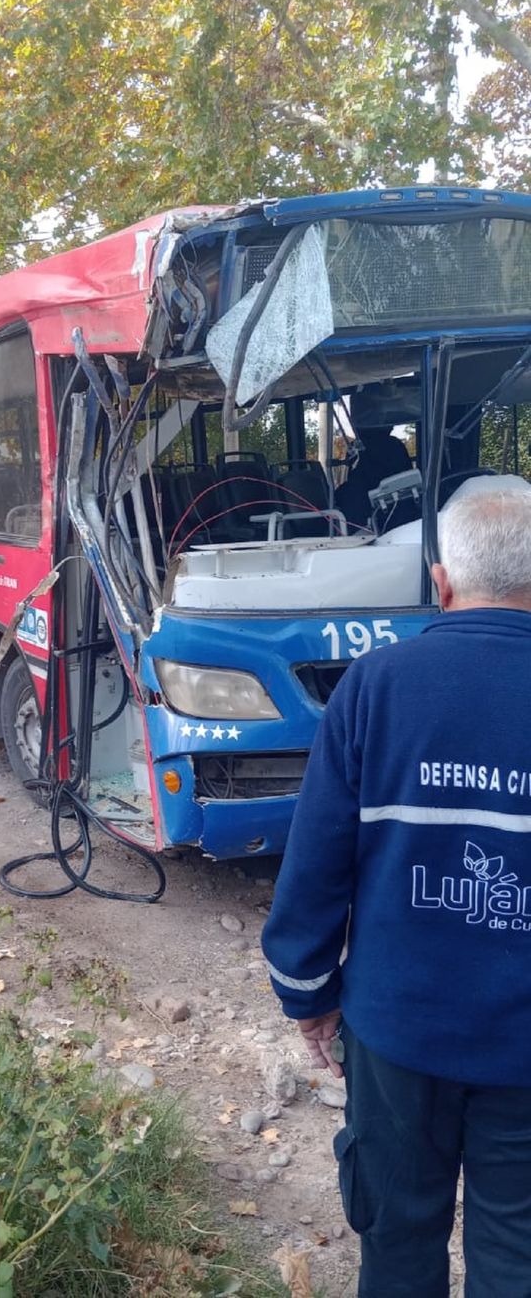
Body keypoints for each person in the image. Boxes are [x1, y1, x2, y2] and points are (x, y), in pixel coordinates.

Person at [262, 478, 531, 1298]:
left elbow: (314, 868)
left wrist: (308, 993)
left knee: (398, 1242)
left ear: (441, 583)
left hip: (396, 1038)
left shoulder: (374, 688)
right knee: (517, 1258)